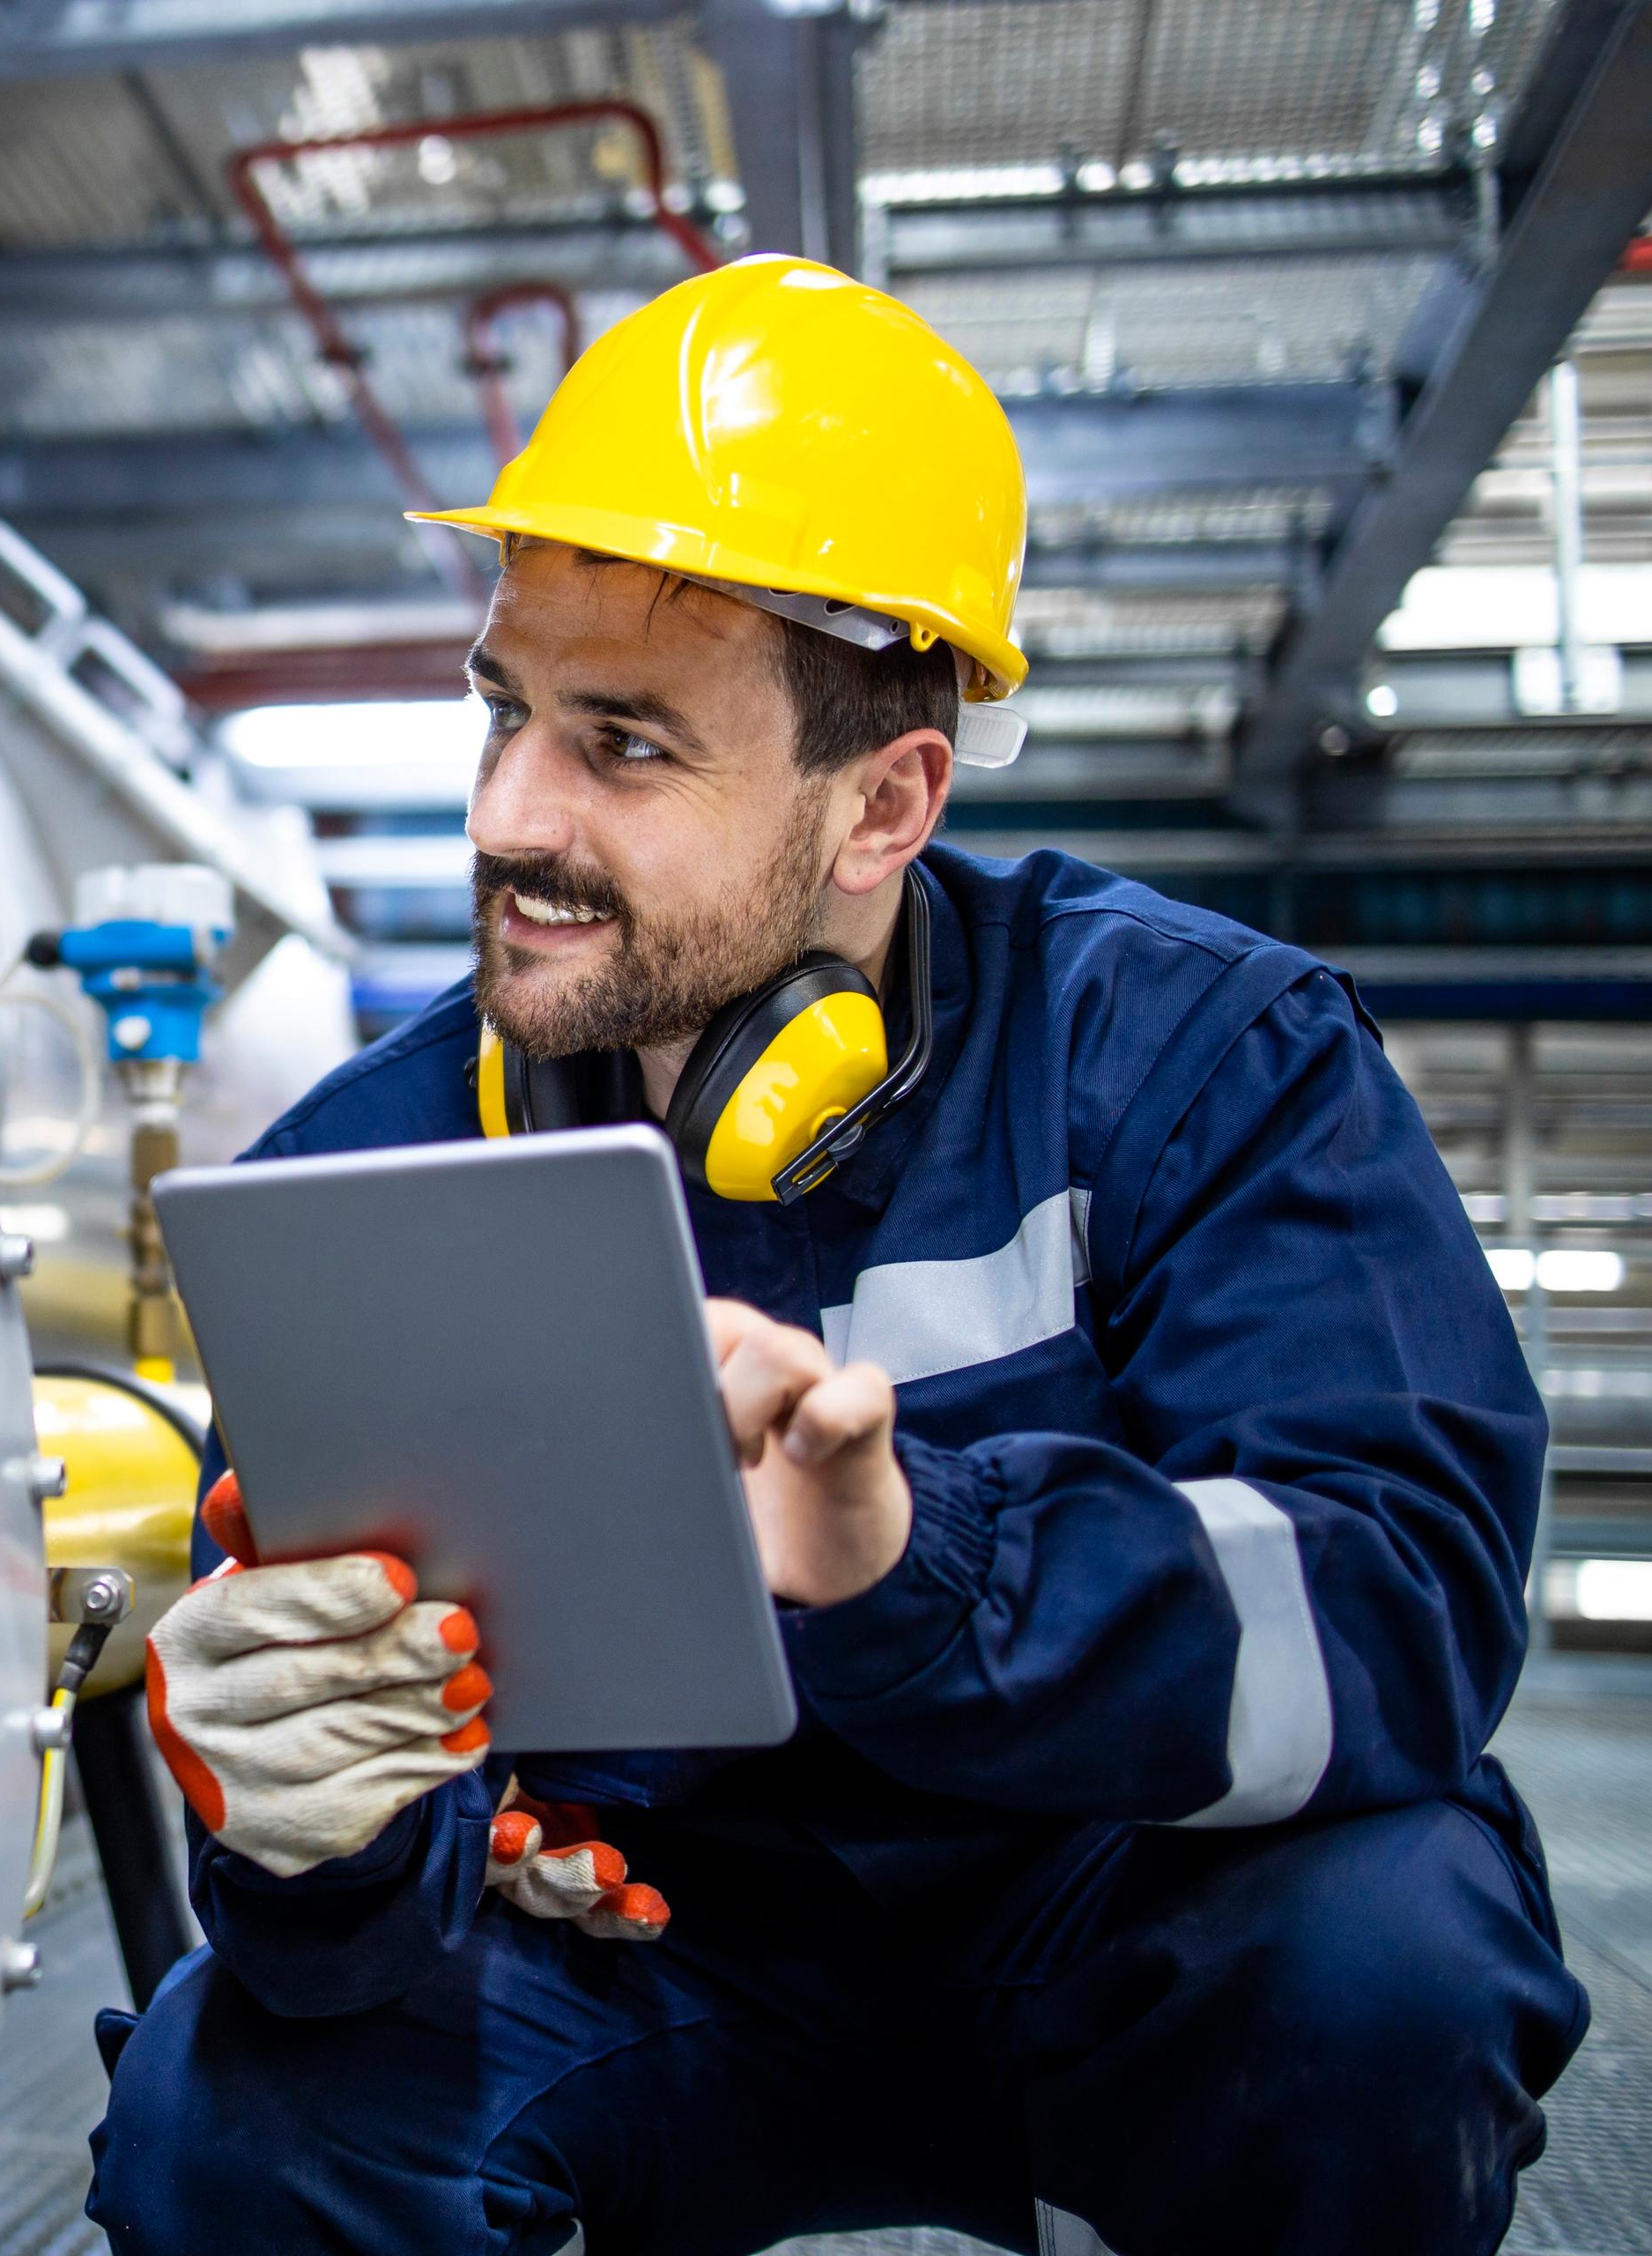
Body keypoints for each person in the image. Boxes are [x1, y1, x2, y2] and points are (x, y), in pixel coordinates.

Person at [83, 257, 1588, 2256]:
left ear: (887, 801)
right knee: (228, 2111)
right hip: (637, 1953)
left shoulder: (1203, 1059)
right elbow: (340, 1919)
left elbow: (1396, 1607)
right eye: (506, 710)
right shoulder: (367, 1159)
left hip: (1116, 1901)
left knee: (1386, 1963)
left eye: (625, 745)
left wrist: (916, 1562)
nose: (511, 813)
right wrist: (305, 1832)